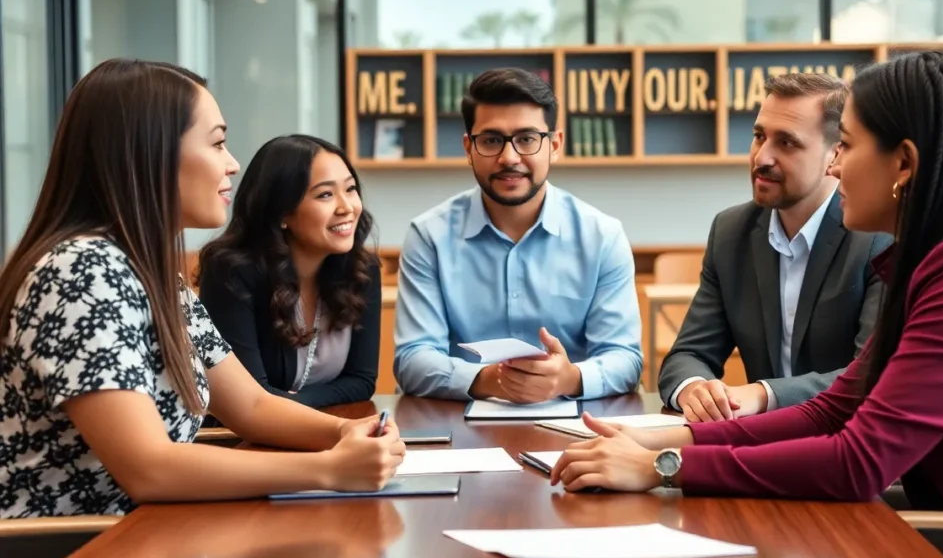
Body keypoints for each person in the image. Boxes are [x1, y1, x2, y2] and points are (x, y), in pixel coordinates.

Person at [550, 50, 943, 514]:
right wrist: (658, 439)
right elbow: (831, 410)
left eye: (849, 146)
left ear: (903, 163)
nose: (836, 167)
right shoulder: (940, 258)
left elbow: (857, 462)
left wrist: (661, 466)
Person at [0, 59, 405, 518]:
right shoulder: (81, 272)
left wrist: (345, 435)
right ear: (150, 154)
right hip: (67, 553)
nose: (232, 164)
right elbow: (148, 467)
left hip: (146, 533)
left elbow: (250, 405)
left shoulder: (150, 274)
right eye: (217, 144)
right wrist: (329, 470)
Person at [393, 68, 642, 401]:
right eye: (491, 140)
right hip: (459, 428)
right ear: (469, 148)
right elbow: (412, 358)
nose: (509, 158)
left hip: (576, 428)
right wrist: (492, 380)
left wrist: (569, 378)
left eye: (526, 139)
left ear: (554, 145)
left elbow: (625, 359)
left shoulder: (603, 237)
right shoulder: (429, 237)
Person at [658, 73, 891, 422]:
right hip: (757, 449)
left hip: (846, 449)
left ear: (836, 153)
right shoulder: (731, 231)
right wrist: (697, 390)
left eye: (787, 143)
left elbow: (870, 378)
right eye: (759, 136)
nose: (761, 157)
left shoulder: (877, 236)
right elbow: (688, 355)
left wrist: (764, 394)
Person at [198, 135, 379, 409]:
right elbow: (248, 397)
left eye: (351, 189)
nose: (347, 207)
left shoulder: (362, 271)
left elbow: (362, 380)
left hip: (326, 431)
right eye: (325, 194)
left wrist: (300, 403)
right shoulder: (231, 273)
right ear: (282, 212)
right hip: (241, 440)